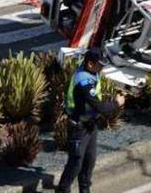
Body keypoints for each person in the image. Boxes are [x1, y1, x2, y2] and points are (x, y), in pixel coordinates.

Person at [56, 48, 125, 193]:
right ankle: (62, 190)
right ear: (90, 64)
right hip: (78, 128)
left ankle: (85, 190)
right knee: (75, 163)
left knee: (89, 162)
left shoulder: (92, 73)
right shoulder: (84, 80)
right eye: (100, 65)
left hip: (90, 125)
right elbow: (99, 106)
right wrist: (117, 103)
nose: (102, 68)